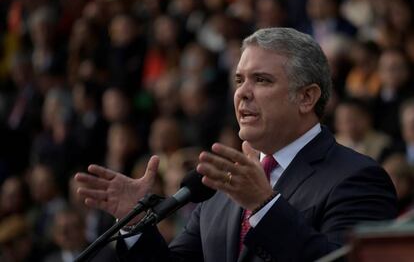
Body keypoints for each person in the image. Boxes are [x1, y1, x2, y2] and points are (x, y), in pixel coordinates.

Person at [75, 27, 397, 261]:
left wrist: (264, 206)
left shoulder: (358, 178)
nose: (243, 92)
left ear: (306, 97)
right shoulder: (219, 187)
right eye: (240, 80)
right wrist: (136, 224)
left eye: (262, 80)